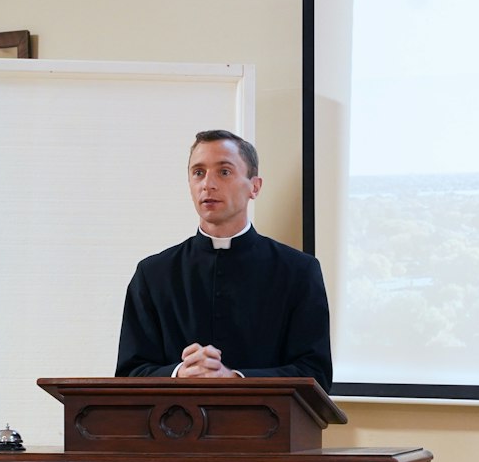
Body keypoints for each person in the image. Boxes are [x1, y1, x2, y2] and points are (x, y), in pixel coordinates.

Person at [116, 130, 332, 390]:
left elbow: (315, 373)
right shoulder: (153, 274)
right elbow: (129, 373)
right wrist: (179, 374)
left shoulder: (299, 271)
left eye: (224, 172)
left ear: (255, 186)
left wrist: (234, 379)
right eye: (198, 173)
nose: (208, 184)